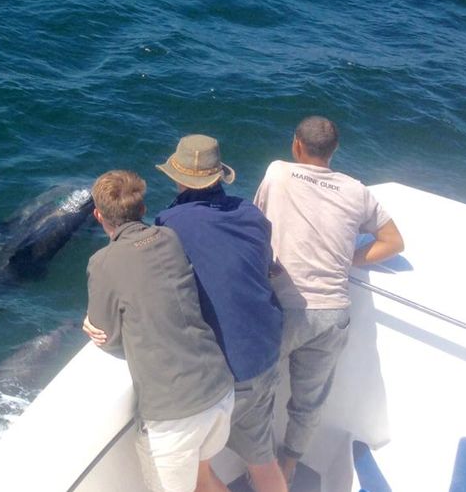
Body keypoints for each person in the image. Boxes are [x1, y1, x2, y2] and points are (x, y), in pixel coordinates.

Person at [254, 116, 405, 483]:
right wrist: (349, 259)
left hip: (283, 309)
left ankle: (262, 469)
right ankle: (288, 467)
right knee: (308, 403)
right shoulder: (356, 190)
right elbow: (393, 242)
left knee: (256, 392)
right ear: (334, 151)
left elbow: (256, 229)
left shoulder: (277, 173)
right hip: (333, 314)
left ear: (296, 146)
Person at [150, 134, 288, 492]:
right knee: (262, 457)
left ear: (179, 179)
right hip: (266, 352)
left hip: (225, 371)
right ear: (218, 177)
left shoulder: (169, 224)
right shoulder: (250, 213)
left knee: (195, 472)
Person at [83, 170, 235, 492]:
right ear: (141, 208)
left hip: (175, 416)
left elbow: (107, 338)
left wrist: (93, 327)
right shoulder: (169, 238)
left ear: (99, 216)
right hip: (219, 391)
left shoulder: (102, 263)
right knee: (204, 480)